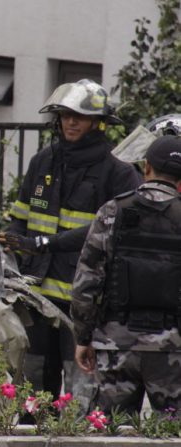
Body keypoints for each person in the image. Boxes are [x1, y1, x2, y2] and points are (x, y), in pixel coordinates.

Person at [0, 79, 142, 409]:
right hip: (36, 293)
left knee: (78, 383)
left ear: (98, 123)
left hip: (83, 302)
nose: (71, 122)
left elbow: (108, 230)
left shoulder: (119, 173)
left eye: (79, 116)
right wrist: (11, 243)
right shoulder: (43, 162)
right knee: (33, 376)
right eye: (65, 115)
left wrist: (45, 243)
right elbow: (20, 216)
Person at [72, 135, 181, 415]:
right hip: (173, 350)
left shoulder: (112, 212)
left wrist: (84, 337)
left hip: (115, 345)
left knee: (111, 433)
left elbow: (86, 284)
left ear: (146, 168)